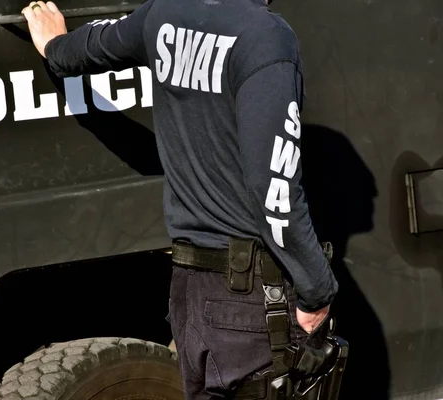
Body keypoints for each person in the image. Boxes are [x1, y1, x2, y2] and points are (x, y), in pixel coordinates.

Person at [20, 0, 339, 398]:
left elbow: (78, 52)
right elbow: (273, 185)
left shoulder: (162, 16)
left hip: (191, 292)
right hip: (255, 299)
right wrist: (317, 290)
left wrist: (53, 43)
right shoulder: (264, 36)